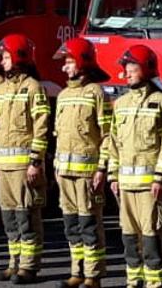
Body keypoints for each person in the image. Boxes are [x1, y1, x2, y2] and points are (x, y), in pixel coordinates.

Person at [106, 47, 162, 288]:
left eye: (132, 70)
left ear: (145, 70)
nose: (126, 74)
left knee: (151, 237)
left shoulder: (161, 102)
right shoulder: (121, 104)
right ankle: (133, 281)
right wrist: (112, 176)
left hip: (150, 186)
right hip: (125, 185)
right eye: (126, 70)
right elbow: (113, 142)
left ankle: (155, 283)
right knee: (128, 236)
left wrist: (160, 177)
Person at [0, 34, 51, 284]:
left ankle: (28, 266)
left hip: (24, 167)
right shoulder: (1, 89)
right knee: (9, 218)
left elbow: (41, 127)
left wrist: (35, 161)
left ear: (18, 58)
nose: (2, 62)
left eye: (6, 57)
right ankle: (13, 263)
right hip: (4, 166)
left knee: (26, 216)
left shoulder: (33, 88)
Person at [52, 38, 112, 288]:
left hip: (87, 174)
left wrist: (101, 168)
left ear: (82, 63)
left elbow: (108, 134)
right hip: (64, 172)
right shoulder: (64, 95)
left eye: (68, 62)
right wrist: (56, 166)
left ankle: (93, 275)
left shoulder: (96, 93)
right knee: (71, 224)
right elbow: (58, 134)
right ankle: (76, 271)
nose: (64, 68)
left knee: (88, 224)